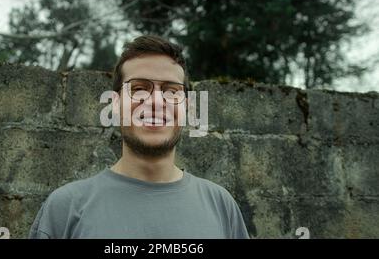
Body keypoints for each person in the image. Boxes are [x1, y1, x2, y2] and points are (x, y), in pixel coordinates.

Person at [29, 35, 249, 239]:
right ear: (115, 104)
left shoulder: (222, 207)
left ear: (188, 108)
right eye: (139, 89)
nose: (155, 101)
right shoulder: (64, 209)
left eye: (171, 91)